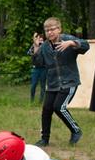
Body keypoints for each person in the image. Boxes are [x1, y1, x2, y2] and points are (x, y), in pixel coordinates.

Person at [32, 18, 89, 146]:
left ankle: (76, 130)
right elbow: (38, 63)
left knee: (59, 107)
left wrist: (71, 43)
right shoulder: (45, 46)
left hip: (69, 81)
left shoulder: (67, 39)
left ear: (59, 29)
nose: (50, 32)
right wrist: (36, 47)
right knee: (46, 109)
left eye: (52, 29)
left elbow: (86, 46)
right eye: (47, 30)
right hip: (52, 84)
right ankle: (44, 139)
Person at [28, 32, 46, 103]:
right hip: (35, 69)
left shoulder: (45, 47)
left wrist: (41, 46)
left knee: (43, 86)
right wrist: (35, 45)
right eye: (39, 40)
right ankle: (31, 100)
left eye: (42, 40)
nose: (40, 41)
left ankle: (41, 101)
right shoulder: (33, 46)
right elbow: (30, 53)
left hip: (44, 69)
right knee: (33, 85)